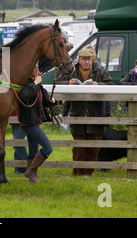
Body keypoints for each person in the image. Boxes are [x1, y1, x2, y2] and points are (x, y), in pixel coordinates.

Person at [57, 45, 113, 176]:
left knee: (93, 148)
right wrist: (68, 84)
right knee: (79, 147)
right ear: (79, 60)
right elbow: (57, 82)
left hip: (96, 114)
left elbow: (111, 84)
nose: (86, 62)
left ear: (93, 59)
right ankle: (77, 172)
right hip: (77, 114)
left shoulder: (101, 72)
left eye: (89, 59)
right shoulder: (71, 72)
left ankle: (88, 173)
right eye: (84, 59)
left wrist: (98, 85)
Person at [14, 63, 55, 182]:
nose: (37, 70)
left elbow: (42, 98)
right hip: (28, 122)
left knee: (33, 151)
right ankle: (30, 171)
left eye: (37, 68)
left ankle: (32, 176)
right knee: (48, 148)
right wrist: (36, 83)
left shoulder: (35, 83)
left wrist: (51, 100)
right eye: (34, 68)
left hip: (35, 121)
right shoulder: (26, 82)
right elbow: (24, 96)